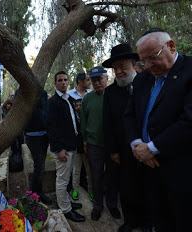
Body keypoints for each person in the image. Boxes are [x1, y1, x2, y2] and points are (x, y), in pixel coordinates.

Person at [124, 28, 192, 232]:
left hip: (182, 170)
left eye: (153, 57)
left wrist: (152, 148)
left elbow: (189, 121)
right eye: (143, 61)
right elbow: (129, 116)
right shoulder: (142, 79)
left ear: (171, 46)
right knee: (159, 220)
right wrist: (137, 145)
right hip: (149, 168)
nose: (148, 66)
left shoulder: (189, 70)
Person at [102, 44, 152, 232]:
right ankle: (130, 221)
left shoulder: (148, 83)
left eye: (122, 66)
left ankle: (148, 222)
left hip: (149, 147)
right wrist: (112, 150)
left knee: (147, 186)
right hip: (123, 149)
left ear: (133, 63)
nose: (119, 71)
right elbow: (107, 123)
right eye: (115, 68)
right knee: (127, 186)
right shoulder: (110, 92)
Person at [80, 66, 120, 221]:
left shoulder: (113, 95)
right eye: (93, 80)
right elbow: (83, 122)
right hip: (94, 145)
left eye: (99, 79)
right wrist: (85, 140)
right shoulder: (87, 99)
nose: (97, 83)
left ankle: (112, 204)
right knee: (96, 177)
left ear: (106, 78)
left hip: (112, 145)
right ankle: (98, 206)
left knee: (112, 176)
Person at [46, 71, 85, 222]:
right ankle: (66, 209)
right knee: (62, 180)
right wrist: (58, 149)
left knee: (67, 178)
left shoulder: (67, 99)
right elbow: (51, 128)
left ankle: (67, 202)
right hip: (63, 149)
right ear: (55, 83)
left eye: (65, 80)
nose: (63, 82)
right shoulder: (53, 102)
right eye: (60, 80)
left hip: (72, 146)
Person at [67, 72, 93, 201]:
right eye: (87, 80)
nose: (90, 82)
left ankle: (91, 190)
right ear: (80, 81)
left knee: (89, 169)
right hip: (75, 140)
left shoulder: (90, 95)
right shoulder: (69, 95)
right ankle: (75, 189)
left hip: (88, 139)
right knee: (76, 169)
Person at [24, 90, 52, 205]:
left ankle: (36, 192)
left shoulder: (43, 93)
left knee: (41, 165)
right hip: (32, 134)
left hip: (44, 134)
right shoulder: (22, 91)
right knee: (38, 165)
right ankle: (34, 194)